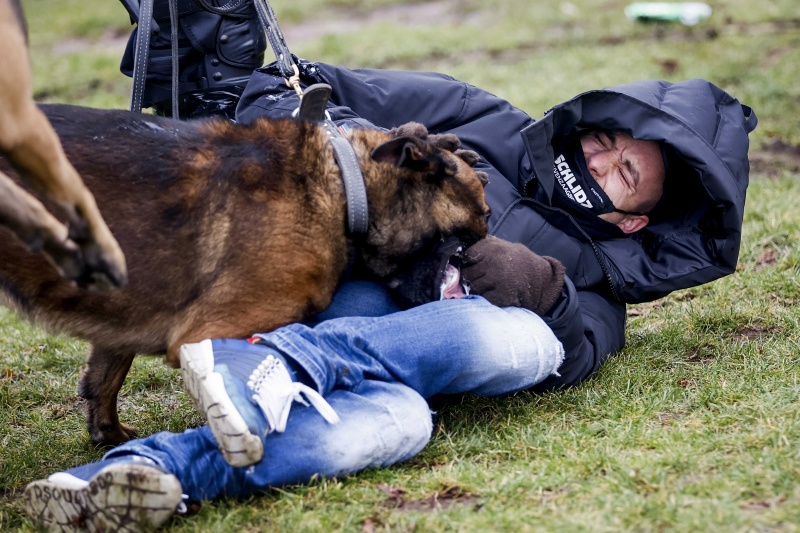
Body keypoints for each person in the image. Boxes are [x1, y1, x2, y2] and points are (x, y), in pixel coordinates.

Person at [22, 3, 757, 531]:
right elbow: (309, 93)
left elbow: (573, 352)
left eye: (625, 170)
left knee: (460, 384)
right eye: (609, 138)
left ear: (635, 220)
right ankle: (264, 367)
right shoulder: (485, 117)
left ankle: (143, 474)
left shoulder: (604, 286)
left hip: (389, 369)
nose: (599, 157)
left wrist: (531, 282)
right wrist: (363, 160)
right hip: (317, 289)